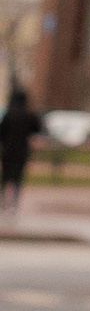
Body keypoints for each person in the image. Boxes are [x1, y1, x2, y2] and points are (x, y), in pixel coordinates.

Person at [0, 80, 37, 217]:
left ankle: (3, 202)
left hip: (8, 151)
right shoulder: (28, 115)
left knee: (5, 177)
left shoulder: (9, 114)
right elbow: (37, 128)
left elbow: (1, 132)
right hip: (22, 152)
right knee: (18, 178)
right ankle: (14, 204)